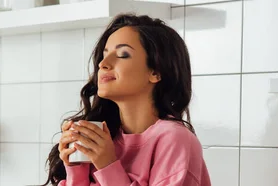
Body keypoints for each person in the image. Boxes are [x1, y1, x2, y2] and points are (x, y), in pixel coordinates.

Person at [41, 13, 211, 186]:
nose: (103, 63)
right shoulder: (105, 139)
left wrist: (107, 166)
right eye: (104, 55)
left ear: (156, 72)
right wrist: (76, 168)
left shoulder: (175, 139)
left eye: (123, 54)